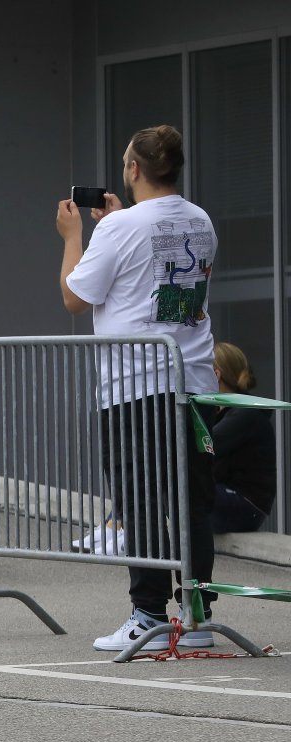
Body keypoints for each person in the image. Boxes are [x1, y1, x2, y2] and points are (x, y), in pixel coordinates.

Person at [58, 124, 218, 652]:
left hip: (135, 385)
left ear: (133, 168)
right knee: (192, 501)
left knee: (140, 500)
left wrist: (73, 237)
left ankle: (148, 614)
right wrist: (114, 224)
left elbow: (76, 297)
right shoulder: (200, 220)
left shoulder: (120, 227)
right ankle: (196, 615)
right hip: (194, 378)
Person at [207, 341, 275, 533]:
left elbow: (204, 446)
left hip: (245, 504)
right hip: (230, 498)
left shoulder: (244, 414)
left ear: (216, 375)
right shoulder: (222, 412)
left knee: (178, 487)